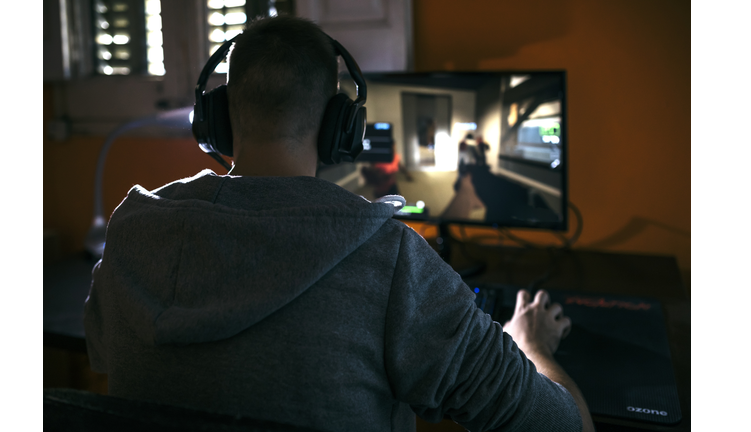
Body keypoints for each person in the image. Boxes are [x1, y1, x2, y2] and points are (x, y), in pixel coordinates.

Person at [83, 15, 594, 432]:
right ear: (338, 128)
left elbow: (105, 354)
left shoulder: (132, 231)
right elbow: (562, 426)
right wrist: (531, 342)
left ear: (215, 119)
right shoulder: (389, 259)